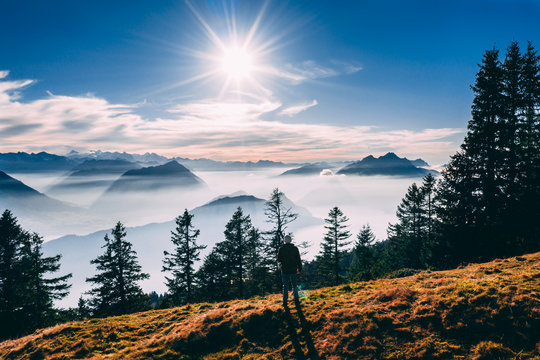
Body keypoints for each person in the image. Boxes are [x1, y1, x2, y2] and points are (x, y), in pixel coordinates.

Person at [277, 234, 302, 307]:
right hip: (293, 269)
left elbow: (278, 259)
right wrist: (299, 268)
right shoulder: (295, 248)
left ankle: (285, 302)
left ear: (285, 240)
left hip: (284, 270)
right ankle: (296, 300)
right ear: (290, 240)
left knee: (285, 286)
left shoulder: (281, 248)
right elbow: (298, 259)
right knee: (294, 285)